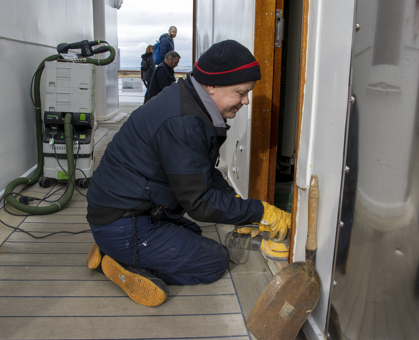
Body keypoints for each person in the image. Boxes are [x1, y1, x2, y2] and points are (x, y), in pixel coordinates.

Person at [85, 39, 291, 307]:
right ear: (212, 86)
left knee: (193, 233)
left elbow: (204, 174)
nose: (246, 101)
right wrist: (260, 211)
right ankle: (123, 265)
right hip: (122, 220)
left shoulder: (188, 100)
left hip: (122, 212)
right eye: (241, 92)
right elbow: (200, 202)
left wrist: (241, 214)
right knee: (214, 261)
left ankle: (113, 249)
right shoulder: (185, 122)